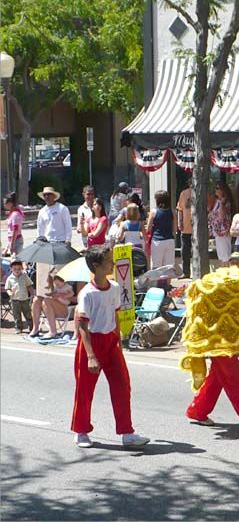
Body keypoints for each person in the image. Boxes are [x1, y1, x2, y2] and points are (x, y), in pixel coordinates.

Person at [71, 245, 150, 449]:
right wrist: (90, 356)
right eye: (108, 260)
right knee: (85, 390)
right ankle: (81, 431)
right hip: (91, 342)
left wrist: (118, 342)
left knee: (122, 386)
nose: (112, 264)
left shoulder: (115, 287)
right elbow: (82, 325)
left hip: (111, 342)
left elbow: (114, 314)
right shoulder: (87, 293)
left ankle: (127, 432)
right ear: (96, 266)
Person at [33, 186, 73, 335]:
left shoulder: (62, 208)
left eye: (49, 195)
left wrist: (68, 240)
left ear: (54, 196)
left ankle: (56, 303)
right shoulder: (42, 211)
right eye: (45, 195)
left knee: (59, 276)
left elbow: (68, 225)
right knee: (46, 278)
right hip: (47, 244)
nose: (47, 197)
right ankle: (46, 312)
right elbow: (40, 229)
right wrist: (39, 242)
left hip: (60, 243)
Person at [146, 190, 176, 270]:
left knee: (156, 266)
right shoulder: (172, 211)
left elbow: (148, 228)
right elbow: (175, 229)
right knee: (169, 267)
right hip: (169, 240)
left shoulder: (153, 211)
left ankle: (156, 282)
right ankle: (168, 282)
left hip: (157, 241)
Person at [41, 270, 74, 339]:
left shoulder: (67, 287)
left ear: (63, 281)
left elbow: (72, 294)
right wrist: (50, 294)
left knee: (57, 298)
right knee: (52, 298)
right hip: (58, 302)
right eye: (56, 284)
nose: (57, 286)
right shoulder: (57, 288)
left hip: (65, 302)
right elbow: (53, 292)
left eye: (58, 284)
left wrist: (65, 296)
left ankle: (53, 331)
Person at [4, 259, 33, 334]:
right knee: (16, 315)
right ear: (11, 269)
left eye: (19, 269)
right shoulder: (10, 278)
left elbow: (29, 285)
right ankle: (18, 328)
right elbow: (7, 288)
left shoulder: (24, 276)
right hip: (14, 300)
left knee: (28, 314)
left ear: (22, 268)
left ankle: (31, 327)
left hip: (25, 299)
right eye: (15, 269)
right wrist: (10, 293)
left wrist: (32, 294)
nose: (17, 270)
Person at [209, 182, 234, 266]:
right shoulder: (217, 202)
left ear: (222, 190)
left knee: (225, 256)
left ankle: (226, 273)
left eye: (217, 188)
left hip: (224, 231)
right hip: (217, 231)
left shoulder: (226, 202)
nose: (215, 190)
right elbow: (212, 214)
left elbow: (222, 216)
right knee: (220, 255)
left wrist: (222, 204)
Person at [176, 178, 193, 278]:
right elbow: (180, 209)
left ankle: (197, 271)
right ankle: (186, 272)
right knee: (185, 252)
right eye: (190, 182)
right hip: (186, 228)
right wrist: (180, 222)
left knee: (196, 251)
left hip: (197, 229)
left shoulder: (201, 193)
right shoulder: (184, 193)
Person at [3, 192, 24, 257]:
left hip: (16, 241)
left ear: (11, 203)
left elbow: (15, 230)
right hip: (13, 240)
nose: (4, 204)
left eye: (6, 203)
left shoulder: (15, 214)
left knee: (16, 262)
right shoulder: (14, 212)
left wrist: (12, 245)